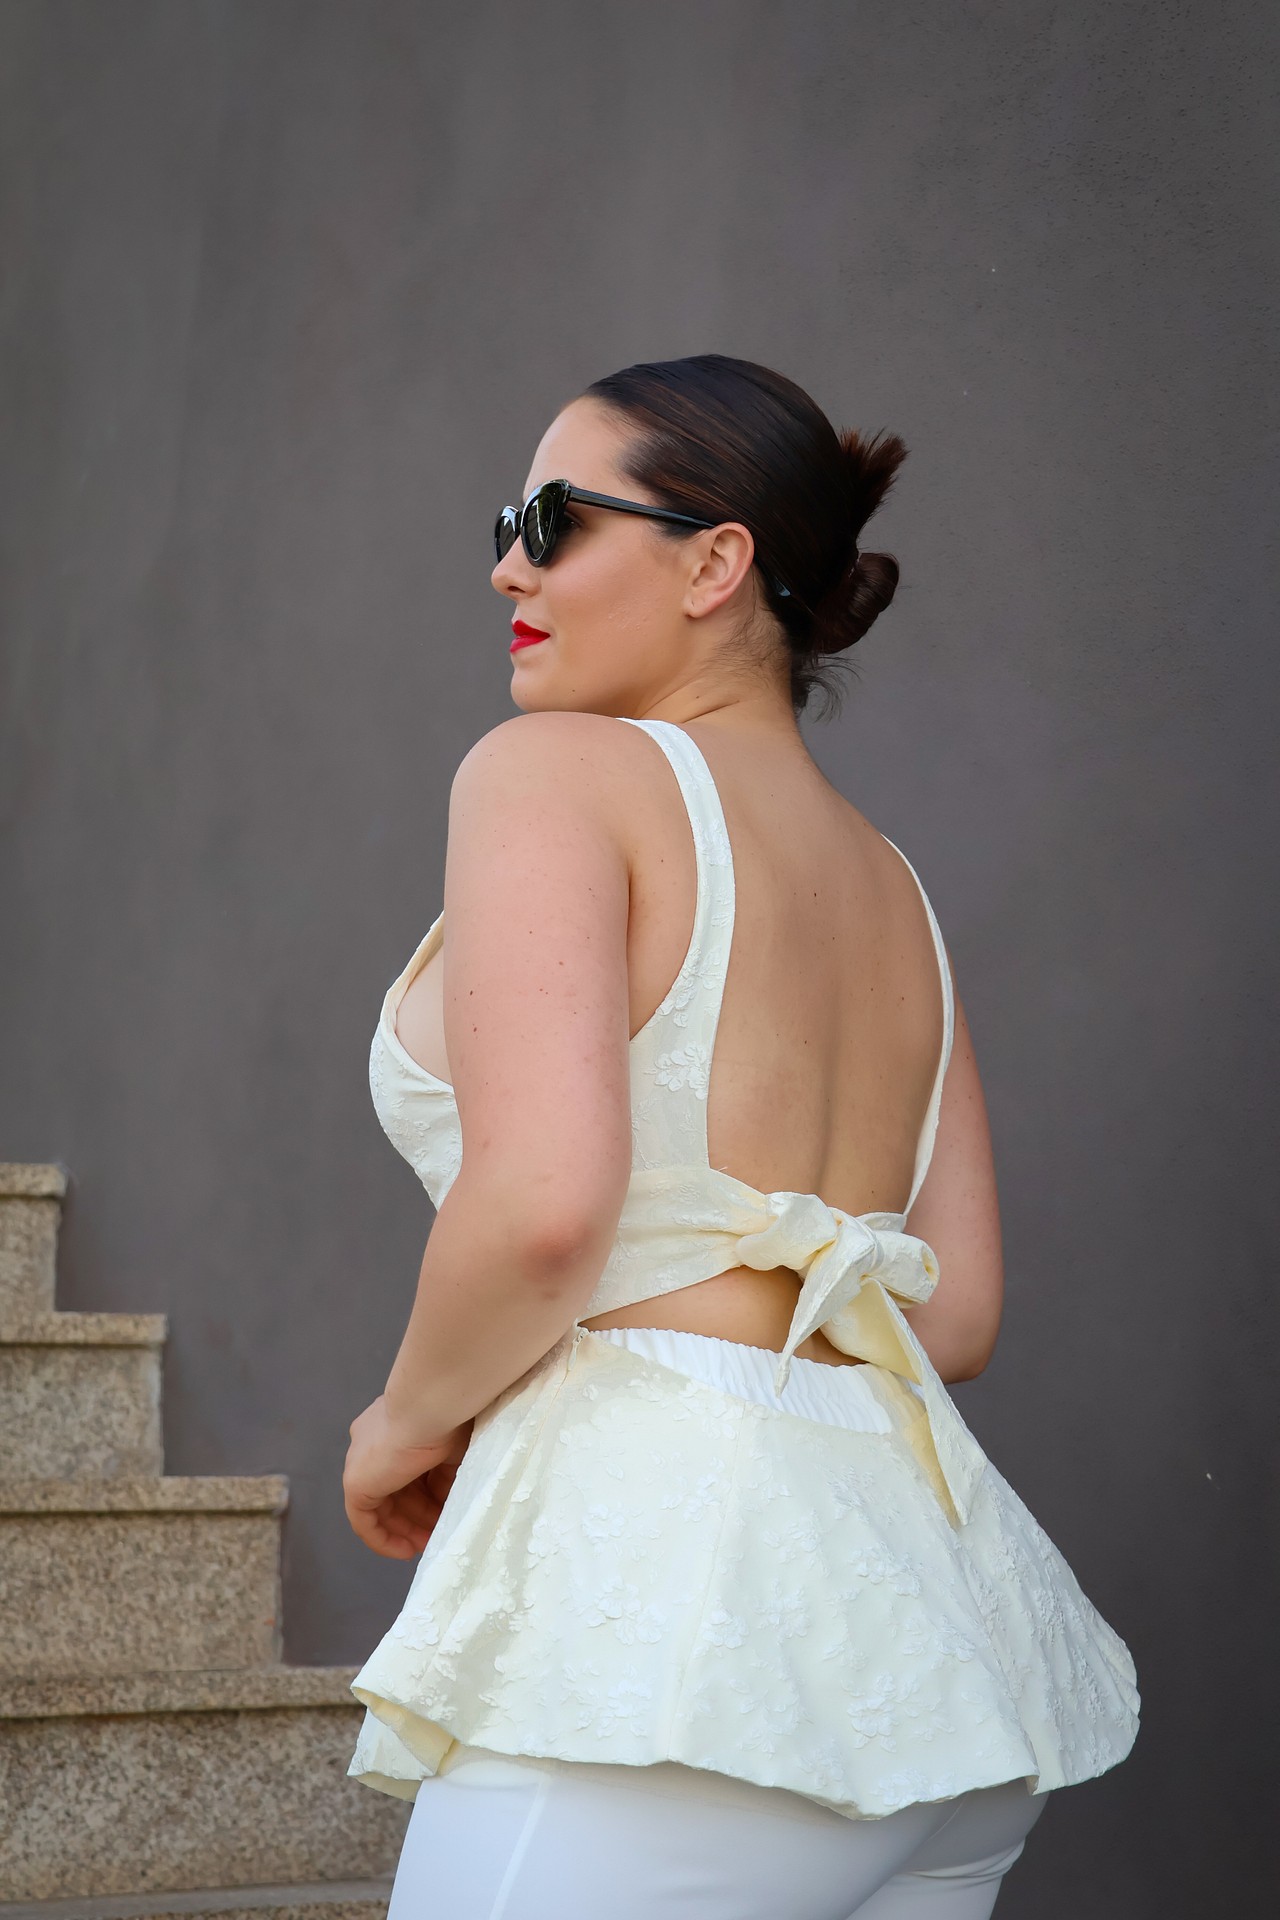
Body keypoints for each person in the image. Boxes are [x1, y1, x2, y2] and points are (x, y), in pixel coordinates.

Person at [341, 354, 1140, 1918]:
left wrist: (400, 1426)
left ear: (715, 564)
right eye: (508, 527)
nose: (508, 565)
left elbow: (545, 1204)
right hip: (941, 1659)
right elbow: (955, 1314)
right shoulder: (893, 885)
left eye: (553, 521)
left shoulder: (553, 774)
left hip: (675, 1645)